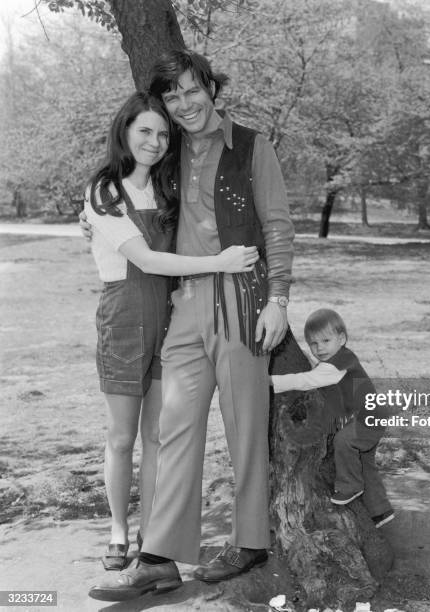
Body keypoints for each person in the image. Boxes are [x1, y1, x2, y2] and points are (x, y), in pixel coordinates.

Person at [88, 49, 294, 601]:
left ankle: (250, 541)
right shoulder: (170, 150)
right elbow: (130, 188)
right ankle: (158, 558)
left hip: (242, 301)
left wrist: (279, 299)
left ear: (211, 89)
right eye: (172, 96)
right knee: (175, 429)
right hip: (185, 307)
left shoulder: (253, 147)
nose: (183, 104)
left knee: (244, 424)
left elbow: (277, 226)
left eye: (190, 90)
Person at [271, 308, 394, 528]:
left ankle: (350, 486)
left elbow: (308, 380)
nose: (320, 348)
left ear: (342, 339)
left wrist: (273, 381)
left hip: (370, 417)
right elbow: (319, 375)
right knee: (365, 463)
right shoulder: (335, 361)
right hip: (369, 415)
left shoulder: (340, 362)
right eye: (314, 344)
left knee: (344, 441)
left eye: (326, 341)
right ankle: (380, 511)